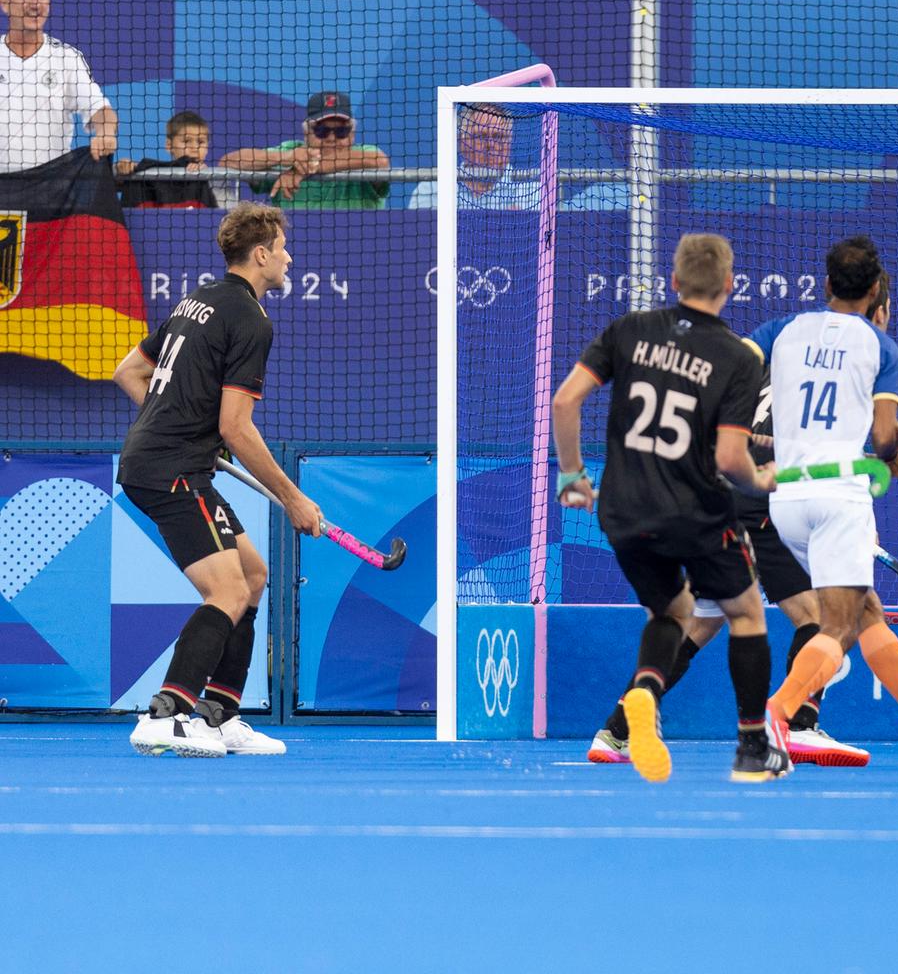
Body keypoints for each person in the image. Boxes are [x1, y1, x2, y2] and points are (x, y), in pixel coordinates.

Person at [591, 271, 898, 769]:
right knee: (818, 615)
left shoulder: (771, 355)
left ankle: (617, 729)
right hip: (766, 498)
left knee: (701, 620)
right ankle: (798, 725)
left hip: (720, 497)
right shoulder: (854, 365)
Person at [550, 232, 787, 784]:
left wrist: (571, 476)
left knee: (672, 612)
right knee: (746, 613)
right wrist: (763, 479)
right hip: (697, 512)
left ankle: (646, 691)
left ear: (673, 281)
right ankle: (753, 748)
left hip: (624, 509)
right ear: (730, 286)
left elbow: (565, 401)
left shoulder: (629, 330)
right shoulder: (736, 356)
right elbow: (731, 459)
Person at [752, 238, 898, 761]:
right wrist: (892, 454)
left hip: (787, 500)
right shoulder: (879, 345)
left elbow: (737, 367)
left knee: (866, 611)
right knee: (840, 623)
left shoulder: (783, 330)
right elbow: (883, 440)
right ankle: (779, 714)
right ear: (876, 290)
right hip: (839, 498)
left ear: (826, 284)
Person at [112, 204, 323, 757]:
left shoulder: (196, 300)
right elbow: (237, 426)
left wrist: (182, 421)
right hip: (171, 471)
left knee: (252, 575)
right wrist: (292, 496)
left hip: (172, 462)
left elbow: (128, 372)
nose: (288, 257)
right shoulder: (252, 319)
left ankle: (218, 716)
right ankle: (165, 713)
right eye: (281, 248)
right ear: (261, 255)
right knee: (225, 590)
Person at [0, 0, 116, 172]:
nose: (35, 4)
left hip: (50, 194)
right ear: (5, 3)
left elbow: (100, 108)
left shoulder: (66, 59)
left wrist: (106, 133)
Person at [219, 91, 390, 209]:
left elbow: (380, 161)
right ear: (306, 133)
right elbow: (228, 162)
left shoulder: (364, 153)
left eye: (341, 132)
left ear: (352, 135)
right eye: (321, 131)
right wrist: (288, 158)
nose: (331, 138)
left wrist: (305, 168)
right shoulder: (291, 150)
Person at [405, 104, 537, 210]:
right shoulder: (433, 191)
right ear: (462, 141)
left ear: (509, 142)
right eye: (481, 136)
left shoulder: (531, 193)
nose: (490, 145)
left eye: (498, 137)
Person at [118, 111, 223, 209]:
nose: (194, 148)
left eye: (200, 142)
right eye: (186, 141)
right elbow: (112, 183)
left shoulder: (214, 179)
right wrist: (123, 168)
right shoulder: (145, 174)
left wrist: (205, 175)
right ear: (169, 145)